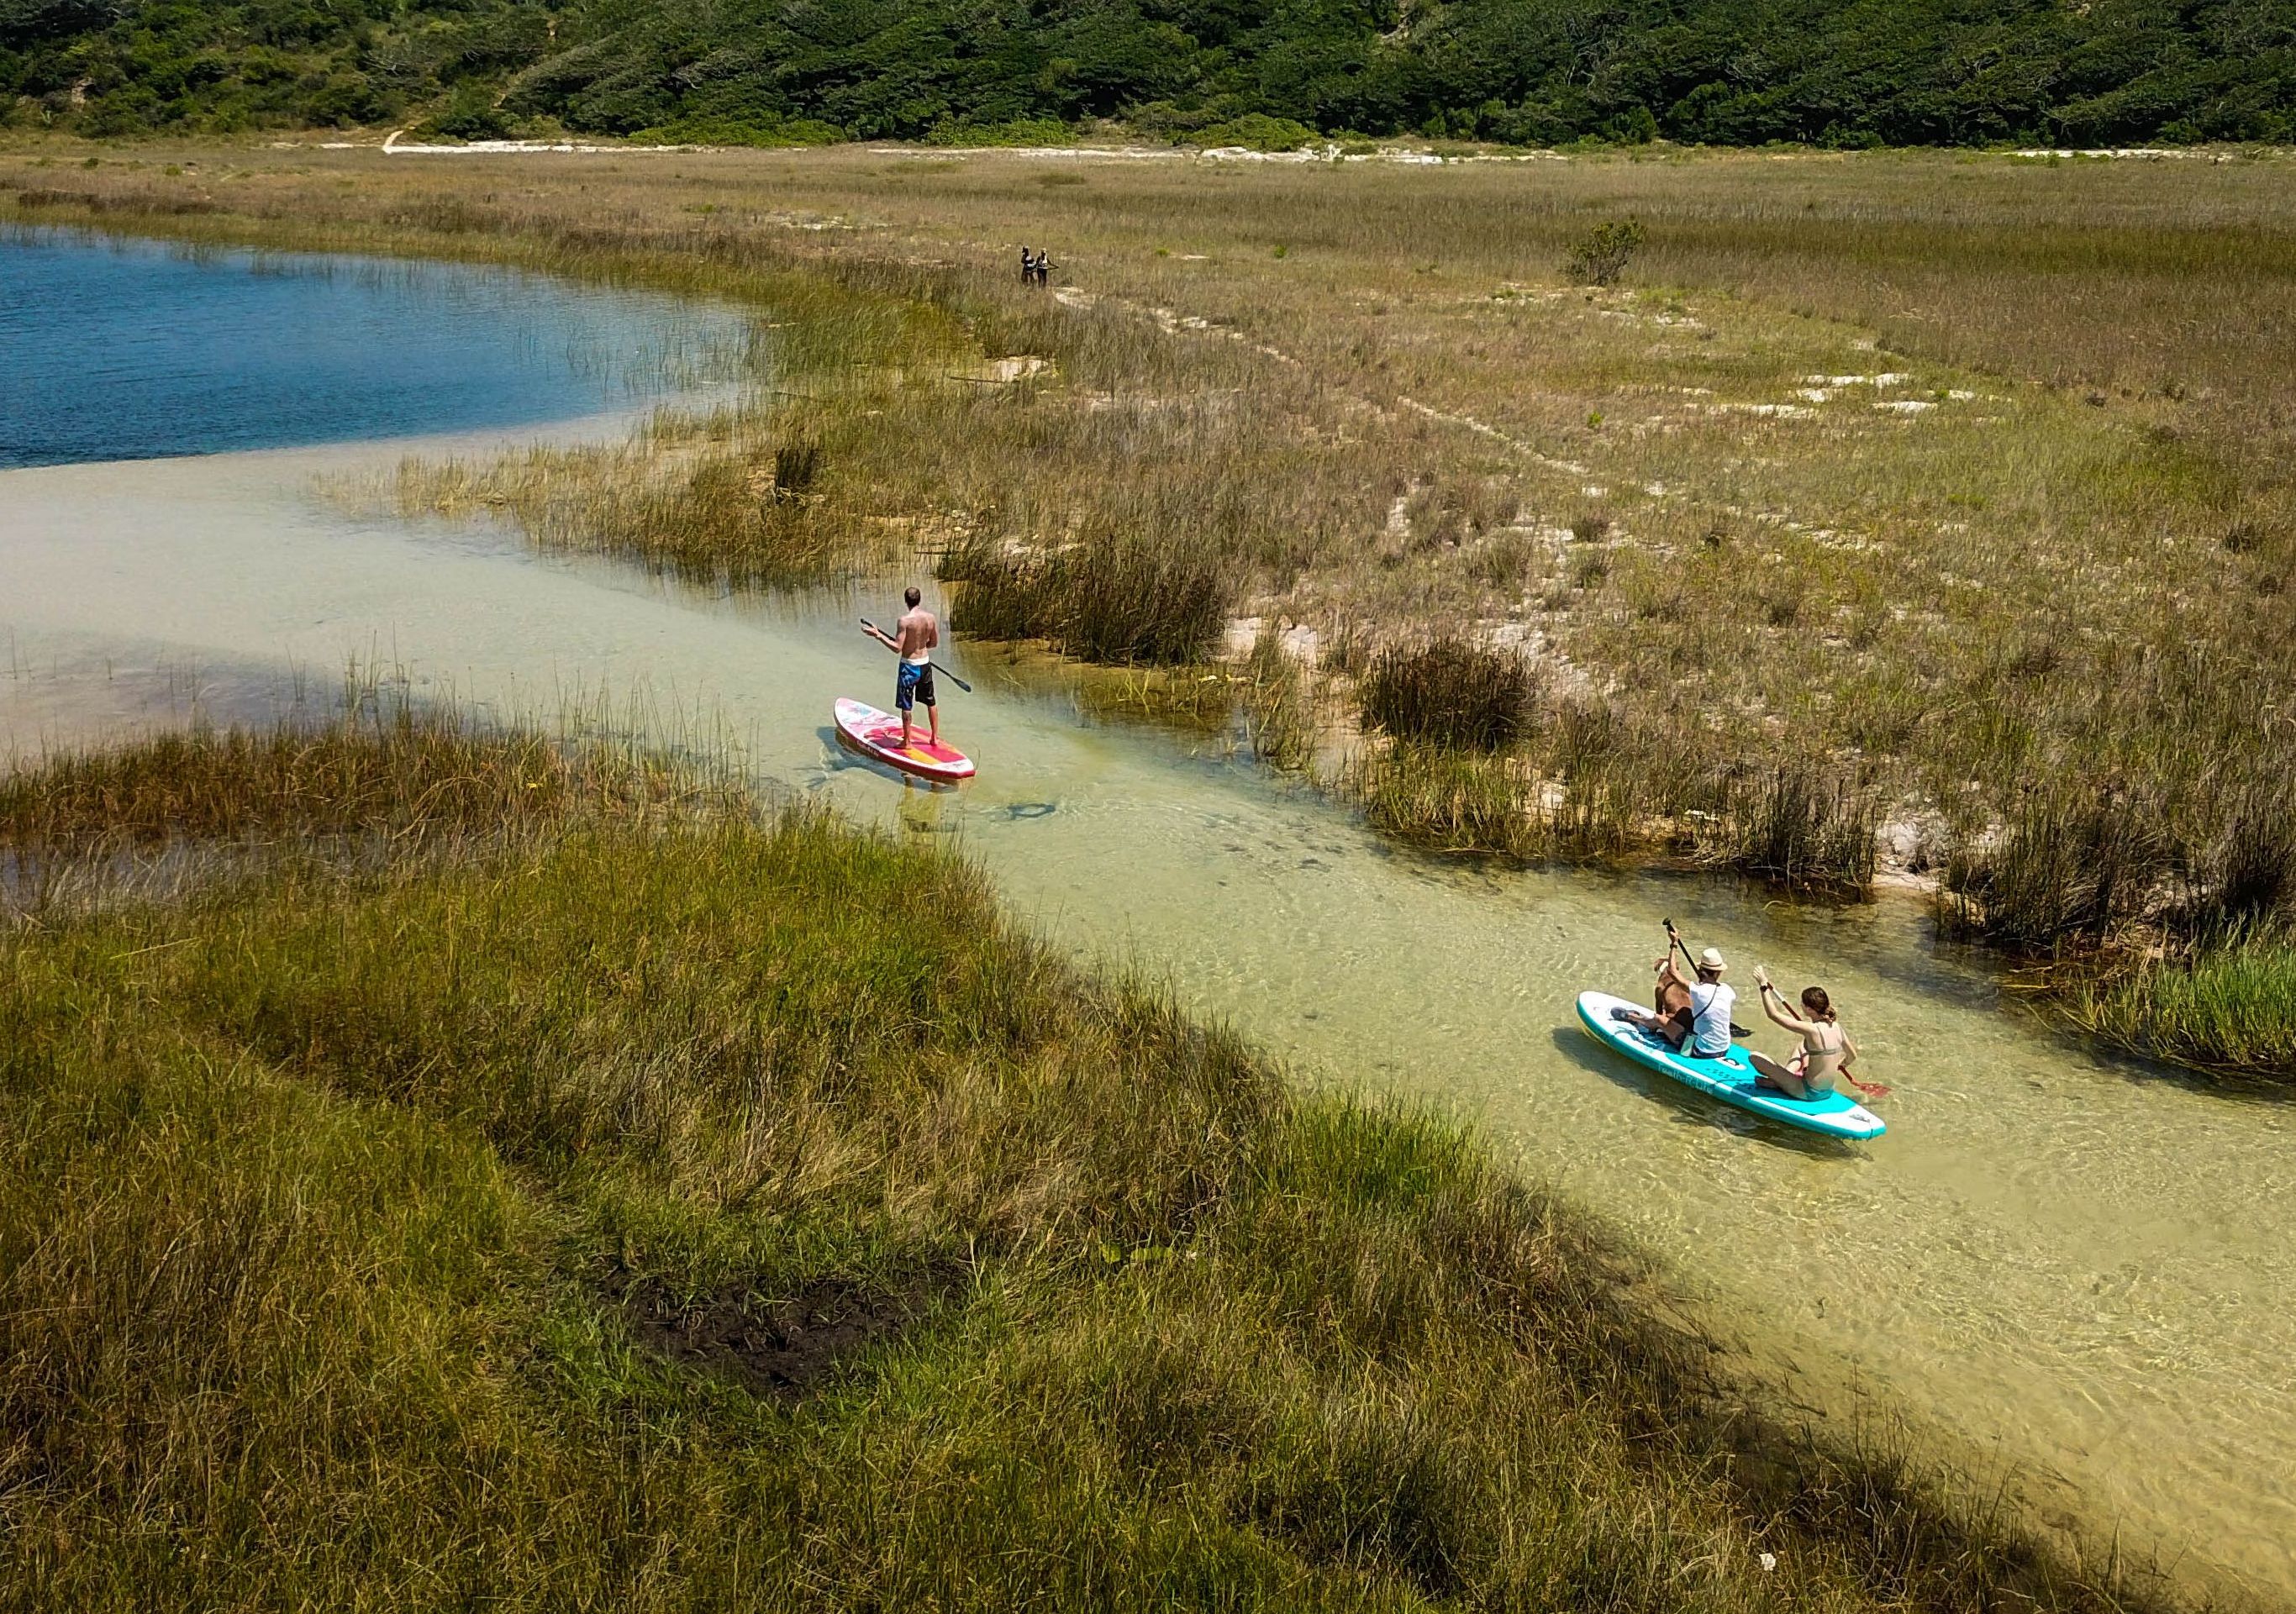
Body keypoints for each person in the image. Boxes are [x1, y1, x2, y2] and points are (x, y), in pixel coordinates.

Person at [1748, 965, 1860, 1100]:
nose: (1800, 1005)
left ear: (1809, 1009)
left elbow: (1773, 1015)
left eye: (1802, 1003)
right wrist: (1837, 1066)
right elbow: (1852, 1056)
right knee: (1802, 1046)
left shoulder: (1811, 1030)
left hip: (1807, 1092)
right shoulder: (1836, 1026)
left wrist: (1763, 985)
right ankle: (1785, 1077)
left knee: (1754, 1057)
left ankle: (1779, 1083)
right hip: (1828, 1091)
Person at [865, 586, 941, 750]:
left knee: (906, 705)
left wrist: (878, 636)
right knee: (931, 701)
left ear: (906, 601)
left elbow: (897, 648)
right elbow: (934, 643)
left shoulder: (904, 621)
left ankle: (907, 742)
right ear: (919, 600)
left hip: (909, 667)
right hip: (925, 664)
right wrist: (920, 645)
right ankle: (934, 737)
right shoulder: (930, 618)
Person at [1626, 944, 1735, 1059]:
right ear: (1719, 972)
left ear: (1701, 970)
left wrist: (1674, 945)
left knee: (1659, 1019)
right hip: (1724, 1049)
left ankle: (1633, 1018)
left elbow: (1672, 972)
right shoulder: (1728, 990)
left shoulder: (1698, 991)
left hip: (1700, 1051)